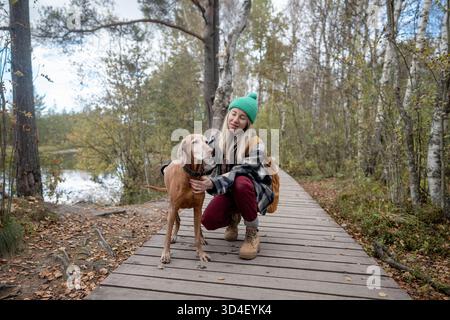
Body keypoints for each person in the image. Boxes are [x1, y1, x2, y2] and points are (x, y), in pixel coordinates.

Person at [189, 92, 274, 260]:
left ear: (247, 123)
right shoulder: (217, 140)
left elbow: (242, 170)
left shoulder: (256, 143)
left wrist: (213, 183)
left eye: (242, 117)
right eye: (233, 114)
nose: (235, 119)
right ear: (228, 114)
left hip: (252, 191)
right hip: (228, 191)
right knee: (208, 221)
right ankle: (234, 218)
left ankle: (252, 232)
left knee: (241, 183)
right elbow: (205, 163)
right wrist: (177, 168)